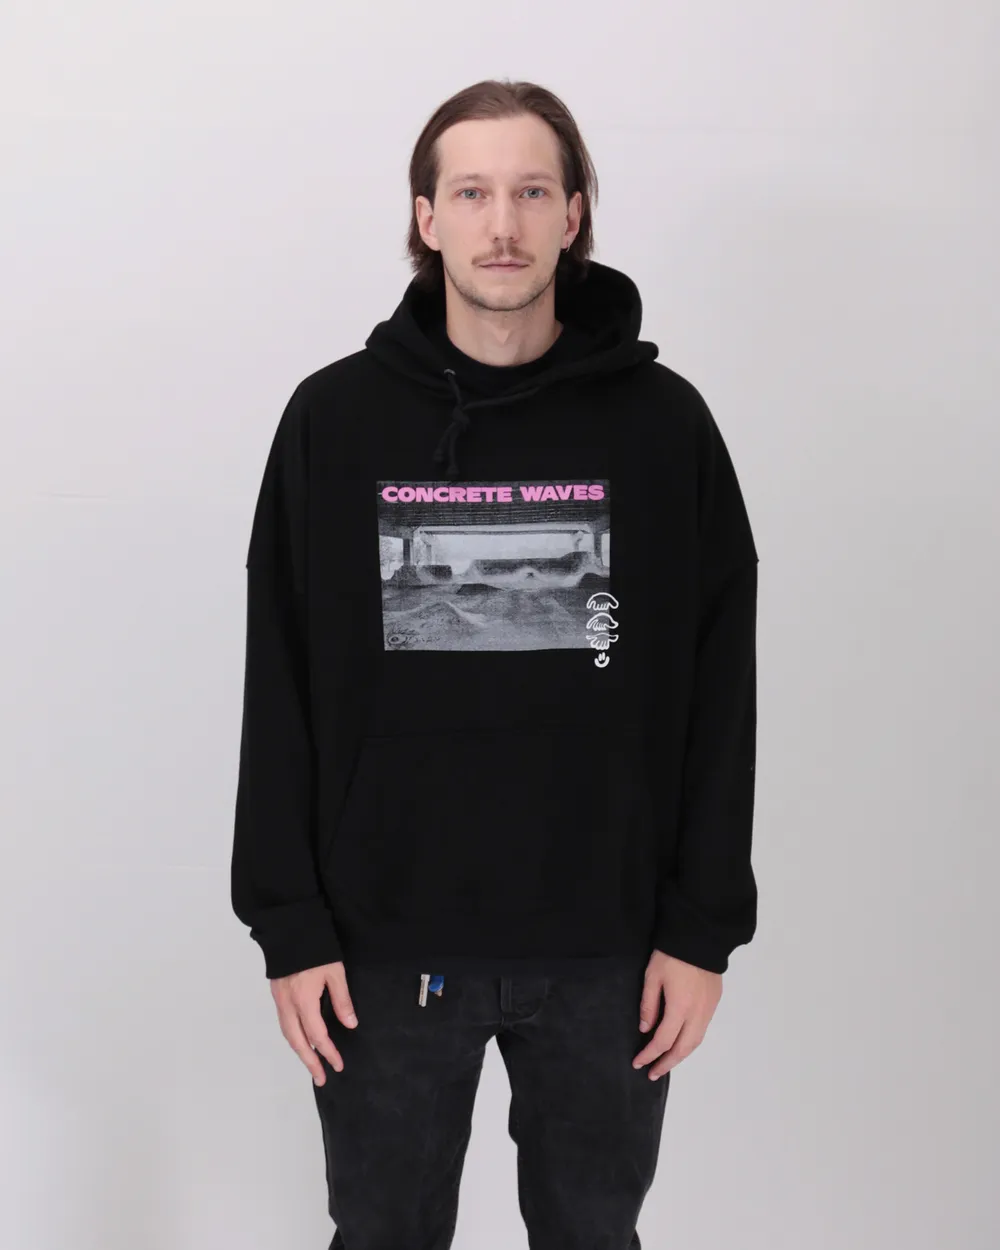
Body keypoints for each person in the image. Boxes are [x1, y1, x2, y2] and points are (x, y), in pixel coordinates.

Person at [231, 77, 759, 1250]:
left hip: (609, 947)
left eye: (530, 191)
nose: (502, 224)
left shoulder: (664, 427)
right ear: (425, 218)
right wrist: (289, 922)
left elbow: (723, 689)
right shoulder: (333, 421)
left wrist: (701, 925)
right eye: (470, 193)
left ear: (575, 214)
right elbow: (280, 679)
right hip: (381, 944)